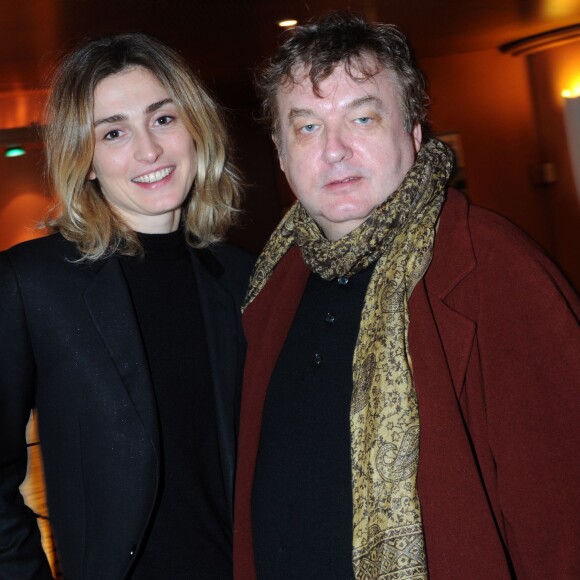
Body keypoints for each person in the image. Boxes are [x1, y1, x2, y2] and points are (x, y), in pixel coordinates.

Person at [233, 11, 580, 580]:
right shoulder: (269, 284)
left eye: (363, 117)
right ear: (280, 153)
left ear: (413, 134)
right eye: (307, 127)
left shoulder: (494, 267)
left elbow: (563, 517)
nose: (335, 150)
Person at [0, 33, 253, 579]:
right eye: (114, 132)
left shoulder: (244, 277)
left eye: (163, 119)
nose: (149, 151)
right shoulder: (33, 283)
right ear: (85, 161)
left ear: (195, 129)